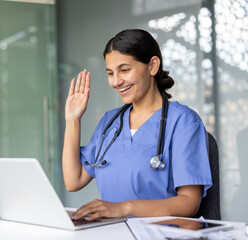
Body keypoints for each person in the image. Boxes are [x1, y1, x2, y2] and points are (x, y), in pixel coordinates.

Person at [62, 29, 212, 221]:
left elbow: (189, 203)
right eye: (110, 73)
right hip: (111, 233)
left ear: (152, 66)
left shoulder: (183, 122)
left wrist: (125, 208)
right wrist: (72, 119)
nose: (116, 81)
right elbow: (73, 181)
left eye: (124, 70)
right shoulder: (109, 123)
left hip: (158, 234)